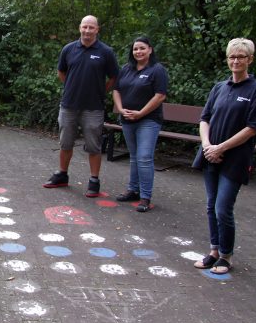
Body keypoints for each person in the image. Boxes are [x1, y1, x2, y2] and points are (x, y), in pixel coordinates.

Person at [192, 38, 256, 275]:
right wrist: (207, 145)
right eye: (232, 57)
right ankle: (214, 251)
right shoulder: (219, 88)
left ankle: (226, 256)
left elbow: (252, 128)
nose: (236, 61)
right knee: (210, 205)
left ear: (250, 60)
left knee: (223, 208)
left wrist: (221, 148)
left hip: (235, 158)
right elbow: (205, 119)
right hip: (210, 154)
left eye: (241, 57)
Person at [43, 15, 119, 197]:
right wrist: (71, 86)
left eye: (91, 28)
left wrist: (101, 91)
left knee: (94, 146)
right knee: (65, 142)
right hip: (69, 105)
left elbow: (114, 77)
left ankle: (94, 180)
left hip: (93, 107)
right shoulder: (69, 49)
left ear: (97, 30)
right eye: (84, 27)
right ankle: (62, 174)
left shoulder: (105, 52)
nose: (87, 31)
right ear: (80, 28)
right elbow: (61, 72)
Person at [112, 37, 169, 212]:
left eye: (142, 48)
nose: (138, 52)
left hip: (148, 120)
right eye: (135, 49)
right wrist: (121, 109)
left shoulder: (157, 70)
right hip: (128, 119)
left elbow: (160, 95)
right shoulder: (126, 69)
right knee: (134, 156)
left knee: (144, 157)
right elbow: (116, 89)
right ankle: (133, 190)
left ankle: (145, 197)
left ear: (150, 50)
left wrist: (141, 113)